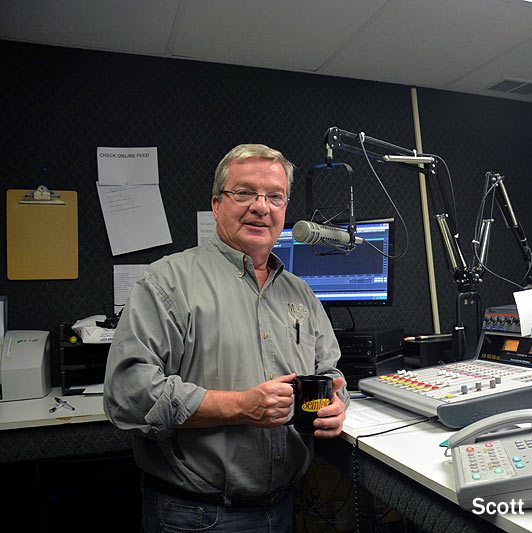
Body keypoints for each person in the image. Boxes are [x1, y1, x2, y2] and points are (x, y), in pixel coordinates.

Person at [103, 144, 348, 533]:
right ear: (217, 205)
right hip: (197, 516)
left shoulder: (301, 293)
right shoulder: (167, 282)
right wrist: (240, 407)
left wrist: (337, 404)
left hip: (286, 507)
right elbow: (127, 395)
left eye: (275, 196)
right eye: (245, 192)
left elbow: (330, 372)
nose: (260, 207)